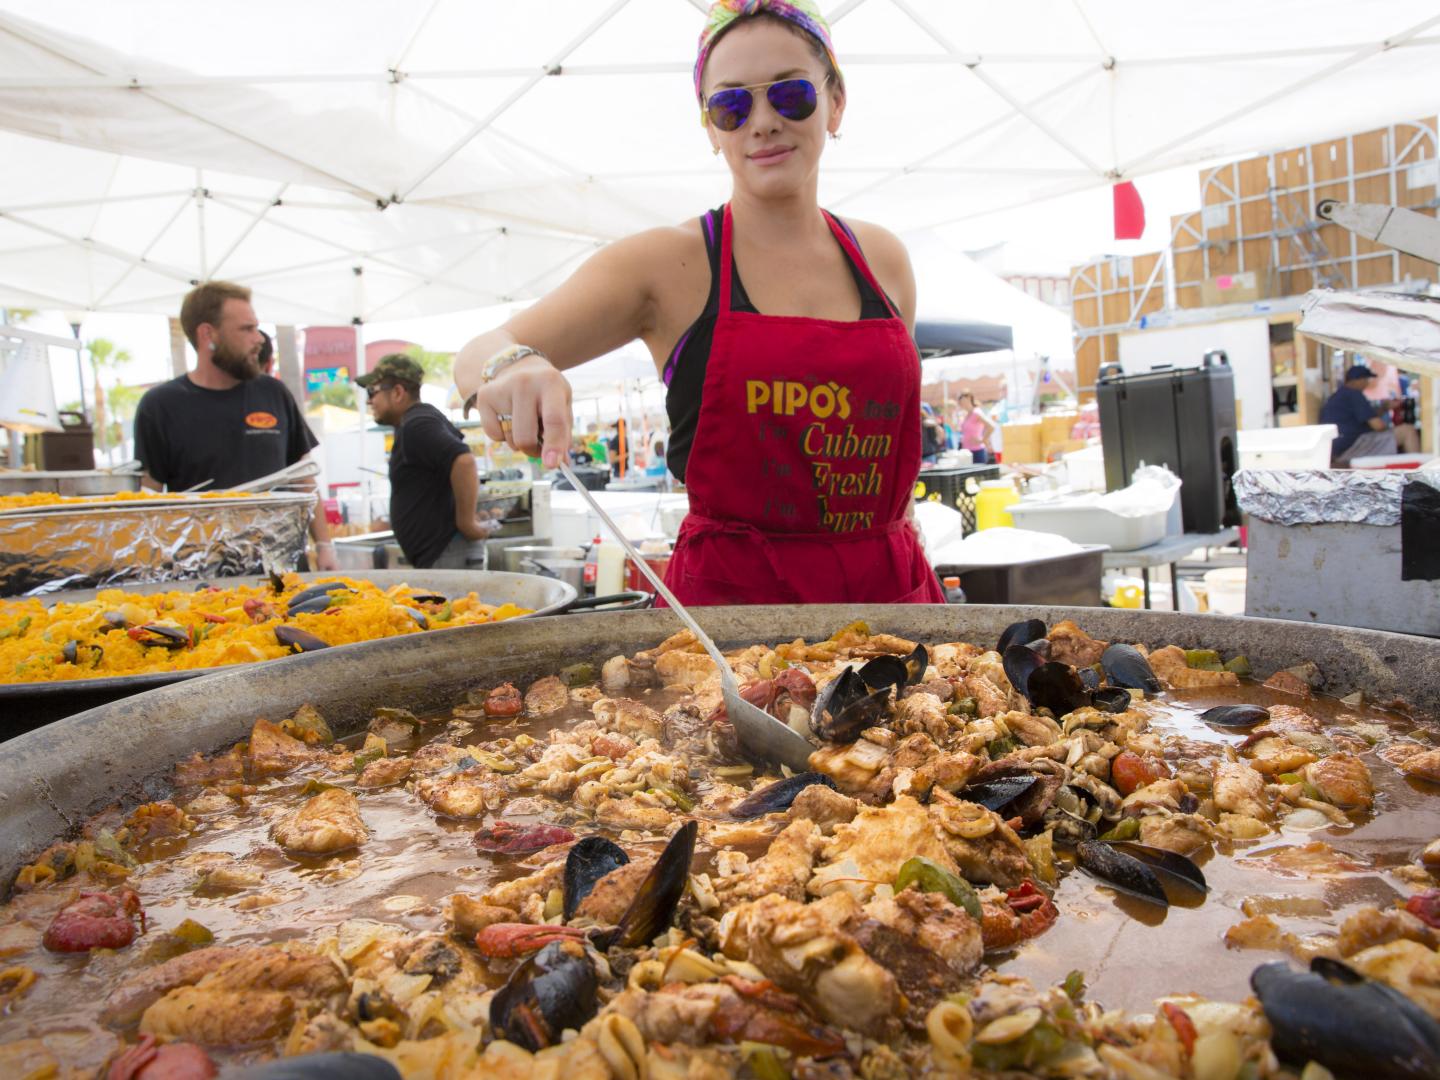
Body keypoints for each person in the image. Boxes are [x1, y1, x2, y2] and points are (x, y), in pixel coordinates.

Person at [454, 0, 942, 605]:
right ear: (710, 128)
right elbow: (480, 351)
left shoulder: (884, 259)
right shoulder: (668, 263)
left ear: (836, 101)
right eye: (731, 106)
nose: (762, 122)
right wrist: (513, 364)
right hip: (729, 617)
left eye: (790, 94)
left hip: (891, 598)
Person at [133, 281, 337, 569]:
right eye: (247, 329)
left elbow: (304, 479)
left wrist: (325, 546)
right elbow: (148, 494)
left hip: (283, 570)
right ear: (208, 334)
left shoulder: (273, 393)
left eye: (257, 328)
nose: (259, 339)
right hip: (203, 574)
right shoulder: (160, 405)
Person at [358, 354, 494, 569]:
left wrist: (466, 523)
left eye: (372, 391)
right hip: (443, 554)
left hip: (447, 554)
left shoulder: (417, 424)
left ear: (398, 392)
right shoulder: (417, 421)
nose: (369, 401)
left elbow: (463, 461)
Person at [1320, 362, 1399, 466]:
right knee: (1407, 431)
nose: (1367, 383)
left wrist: (1384, 408)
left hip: (1333, 449)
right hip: (1349, 448)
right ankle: (1416, 472)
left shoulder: (1339, 395)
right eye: (1366, 380)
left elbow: (1368, 416)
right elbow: (1378, 426)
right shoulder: (1354, 394)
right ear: (1358, 380)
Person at [955, 391, 997, 464]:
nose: (962, 404)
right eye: (961, 402)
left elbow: (991, 426)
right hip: (966, 452)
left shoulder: (976, 412)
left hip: (977, 451)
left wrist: (982, 440)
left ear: (969, 399)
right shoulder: (965, 414)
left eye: (964, 401)